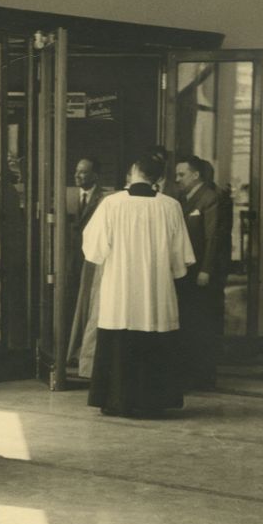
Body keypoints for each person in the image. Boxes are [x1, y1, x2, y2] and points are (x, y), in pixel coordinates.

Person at [83, 153, 195, 418]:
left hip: (120, 289)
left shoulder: (111, 204)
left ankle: (115, 400)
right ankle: (152, 402)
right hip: (155, 290)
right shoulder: (170, 206)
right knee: (154, 338)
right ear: (160, 178)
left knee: (119, 339)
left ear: (133, 171)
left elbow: (94, 250)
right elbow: (180, 258)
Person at [174, 155, 229, 389]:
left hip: (202, 273)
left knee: (203, 323)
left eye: (181, 175)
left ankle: (204, 376)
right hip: (186, 272)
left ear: (195, 175)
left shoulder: (209, 197)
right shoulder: (182, 198)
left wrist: (206, 269)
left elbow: (212, 237)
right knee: (189, 322)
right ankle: (189, 373)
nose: (177, 179)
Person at [66, 156, 106, 379]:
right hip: (70, 262)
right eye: (76, 171)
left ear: (95, 175)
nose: (77, 175)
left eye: (83, 172)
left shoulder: (104, 199)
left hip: (90, 263)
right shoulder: (69, 196)